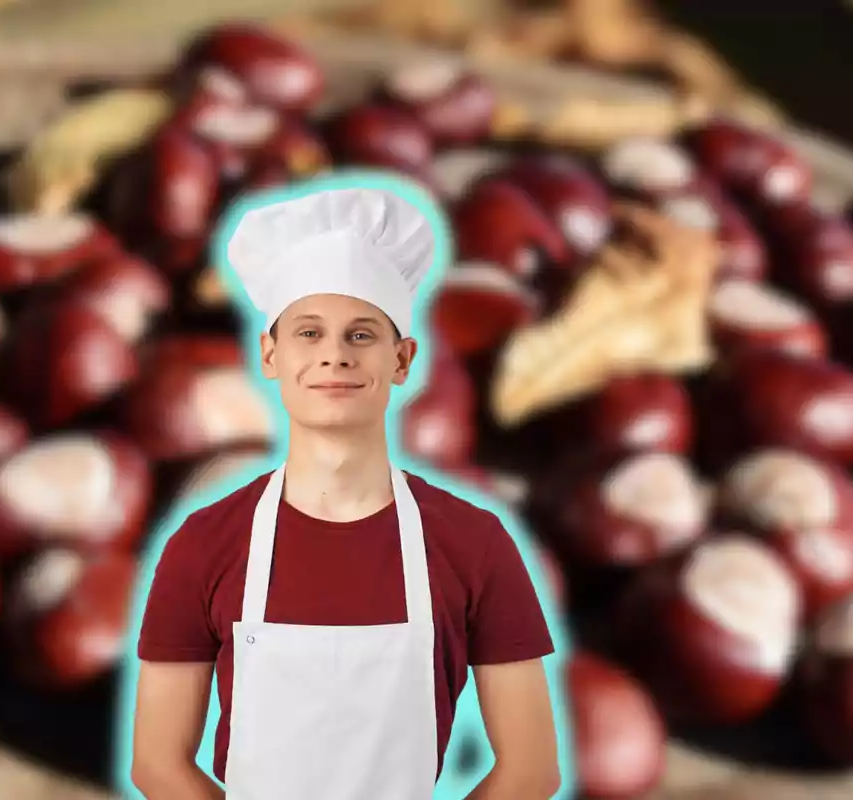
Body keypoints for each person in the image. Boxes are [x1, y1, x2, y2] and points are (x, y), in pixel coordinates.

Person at [130, 182, 563, 800]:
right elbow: (156, 762)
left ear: (404, 360)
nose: (333, 357)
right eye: (309, 334)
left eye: (361, 335)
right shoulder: (203, 542)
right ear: (269, 356)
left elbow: (530, 769)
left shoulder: (475, 541)